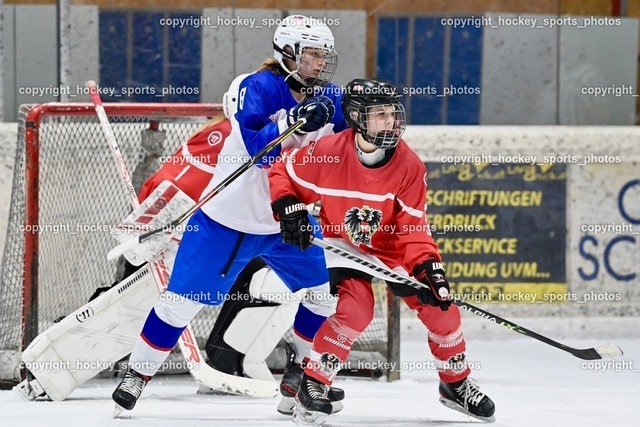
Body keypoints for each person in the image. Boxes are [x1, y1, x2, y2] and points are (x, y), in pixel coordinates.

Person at [111, 15, 348, 415]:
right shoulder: (253, 86)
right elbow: (259, 149)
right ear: (287, 53)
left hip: (286, 217)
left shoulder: (329, 96)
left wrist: (364, 107)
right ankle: (137, 373)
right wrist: (294, 121)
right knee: (179, 304)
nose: (319, 63)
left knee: (327, 295)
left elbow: (352, 145)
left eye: (323, 56)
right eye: (310, 55)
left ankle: (305, 374)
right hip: (228, 220)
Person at [268, 78, 496, 425]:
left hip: (391, 252)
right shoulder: (329, 152)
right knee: (356, 310)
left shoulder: (409, 166)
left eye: (393, 113)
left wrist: (428, 266)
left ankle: (455, 385)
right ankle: (314, 382)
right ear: (358, 118)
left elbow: (414, 227)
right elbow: (282, 168)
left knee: (443, 310)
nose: (390, 121)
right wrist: (287, 205)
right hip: (343, 245)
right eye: (380, 114)